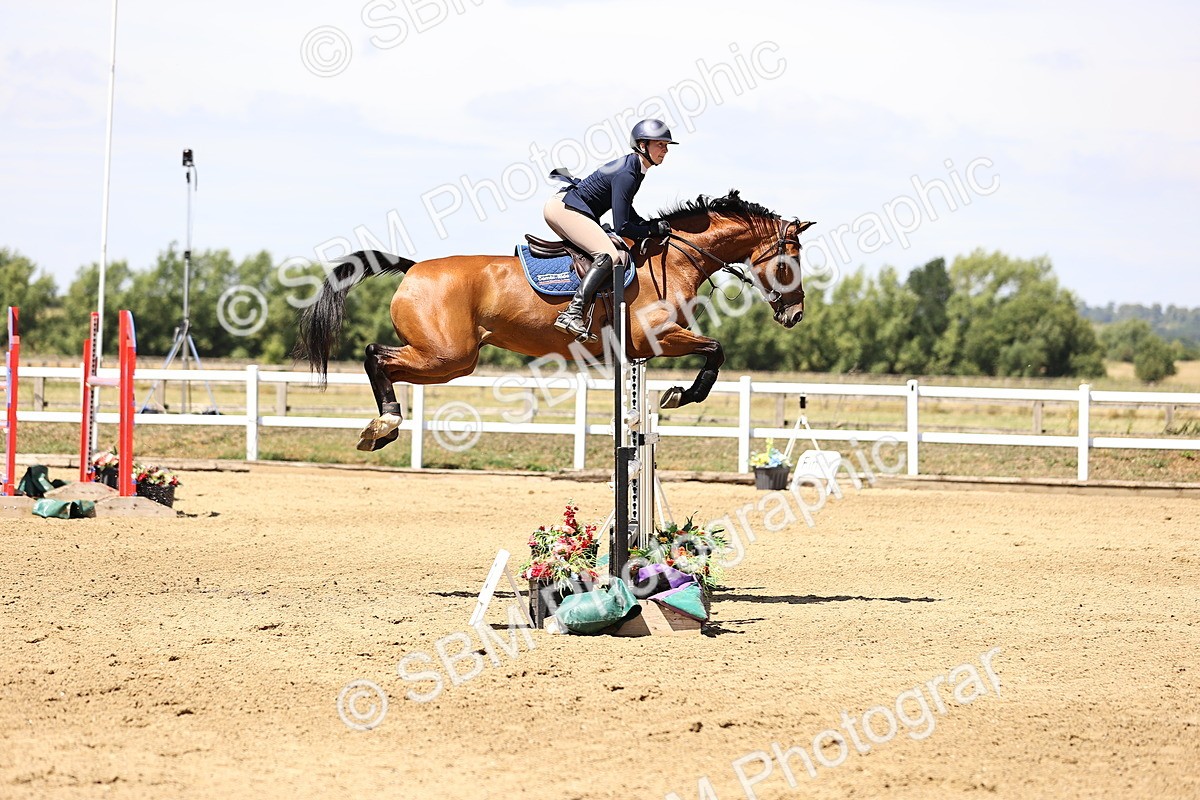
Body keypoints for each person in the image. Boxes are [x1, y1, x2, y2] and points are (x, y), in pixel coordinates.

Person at [544, 118, 677, 341]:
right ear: (642, 145)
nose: (665, 150)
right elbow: (622, 225)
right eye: (660, 144)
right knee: (608, 255)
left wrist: (648, 225)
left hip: (568, 207)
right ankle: (572, 313)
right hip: (564, 208)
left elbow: (627, 211)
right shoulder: (628, 172)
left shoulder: (635, 168)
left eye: (666, 146)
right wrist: (650, 230)